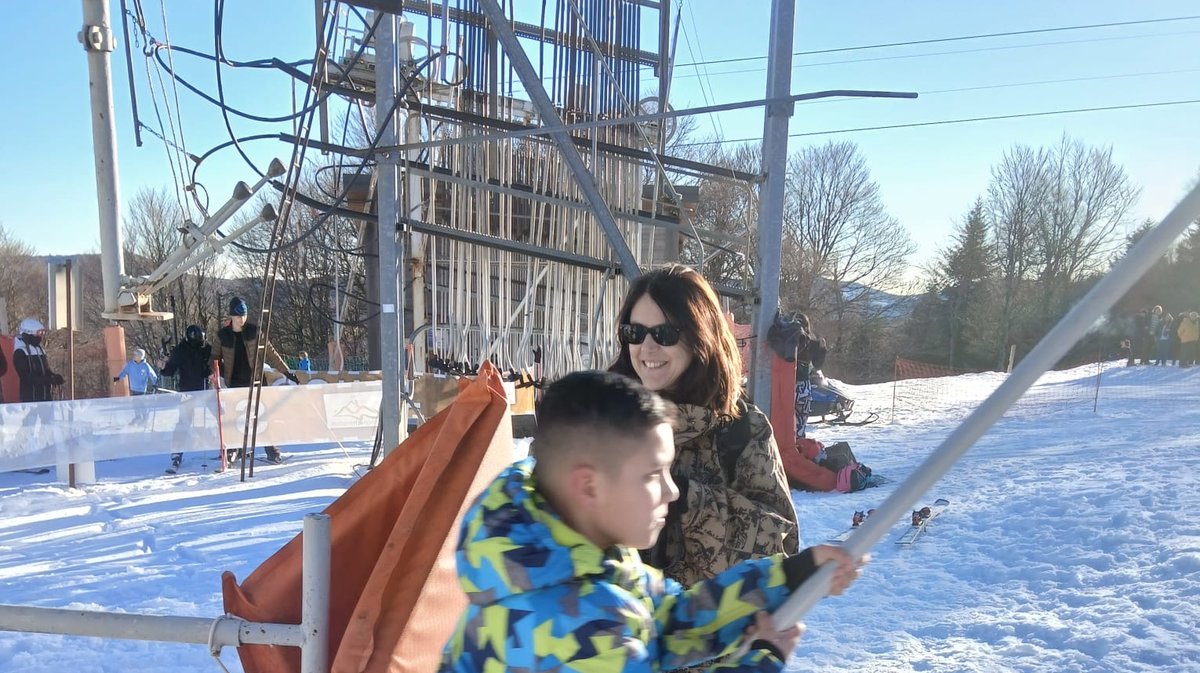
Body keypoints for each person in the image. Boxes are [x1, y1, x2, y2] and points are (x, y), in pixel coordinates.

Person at [439, 370, 863, 672]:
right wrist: (761, 659)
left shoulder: (578, 556)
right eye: (650, 475)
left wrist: (791, 576)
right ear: (588, 487)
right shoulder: (574, 621)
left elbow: (667, 621)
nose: (672, 491)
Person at [608, 263, 801, 588]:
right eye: (635, 332)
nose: (647, 347)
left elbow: (782, 546)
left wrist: (687, 502)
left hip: (709, 633)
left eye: (665, 333)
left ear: (700, 336)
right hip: (616, 630)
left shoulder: (741, 429)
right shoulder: (603, 416)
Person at [212, 297, 298, 464]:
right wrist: (216, 373)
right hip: (235, 383)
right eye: (237, 316)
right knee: (235, 417)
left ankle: (272, 450)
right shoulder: (223, 336)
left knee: (263, 416)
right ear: (231, 316)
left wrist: (287, 372)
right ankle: (233, 450)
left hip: (256, 380)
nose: (241, 319)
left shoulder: (254, 331)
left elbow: (272, 354)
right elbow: (214, 357)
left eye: (243, 315)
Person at [161, 324, 214, 472]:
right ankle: (177, 453)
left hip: (205, 389)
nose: (201, 344)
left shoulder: (206, 348)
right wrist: (164, 367)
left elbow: (213, 364)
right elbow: (170, 370)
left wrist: (211, 372)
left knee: (220, 414)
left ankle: (229, 448)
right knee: (183, 422)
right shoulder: (181, 350)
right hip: (187, 391)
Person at [12, 317, 63, 403]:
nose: (41, 336)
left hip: (45, 397)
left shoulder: (39, 349)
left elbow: (46, 371)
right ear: (29, 333)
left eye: (42, 333)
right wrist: (47, 380)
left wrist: (54, 377)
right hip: (31, 399)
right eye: (38, 333)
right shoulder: (20, 351)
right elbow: (25, 377)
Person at [114, 348, 159, 424]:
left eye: (136, 355)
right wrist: (118, 378)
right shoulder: (130, 364)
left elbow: (152, 375)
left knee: (142, 404)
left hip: (141, 390)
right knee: (135, 404)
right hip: (133, 388)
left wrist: (155, 383)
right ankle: (138, 417)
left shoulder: (146, 366)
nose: (134, 356)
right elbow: (124, 372)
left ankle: (145, 418)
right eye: (134, 354)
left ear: (140, 356)